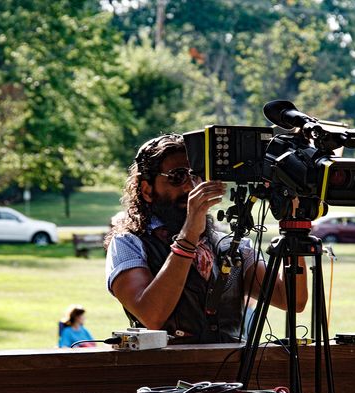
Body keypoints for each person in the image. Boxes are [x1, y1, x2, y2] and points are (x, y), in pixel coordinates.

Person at [105, 134, 308, 344]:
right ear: (147, 190)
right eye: (177, 176)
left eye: (197, 176)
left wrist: (293, 227)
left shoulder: (229, 244)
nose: (190, 187)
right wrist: (189, 234)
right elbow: (152, 316)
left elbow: (292, 301)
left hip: (232, 372)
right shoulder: (128, 243)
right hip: (164, 371)